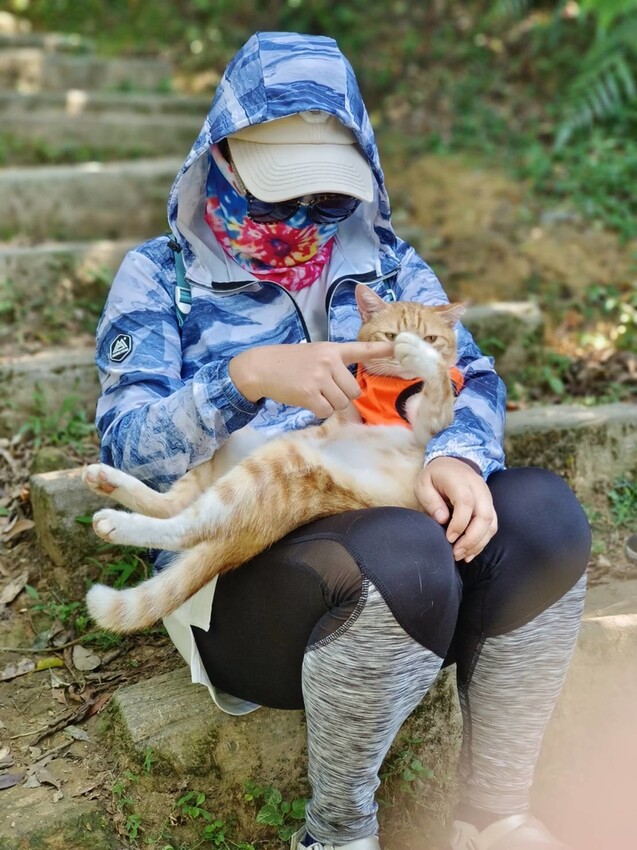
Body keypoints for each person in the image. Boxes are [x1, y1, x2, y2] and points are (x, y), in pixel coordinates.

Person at [94, 31, 591, 850]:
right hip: (248, 575)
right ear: (219, 156)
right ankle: (336, 832)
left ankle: (491, 815)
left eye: (327, 200)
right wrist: (245, 376)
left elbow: (477, 378)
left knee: (542, 513)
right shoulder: (160, 280)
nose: (304, 220)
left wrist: (458, 455)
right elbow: (124, 453)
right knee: (402, 548)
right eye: (279, 193)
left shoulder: (388, 267)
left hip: (392, 527)